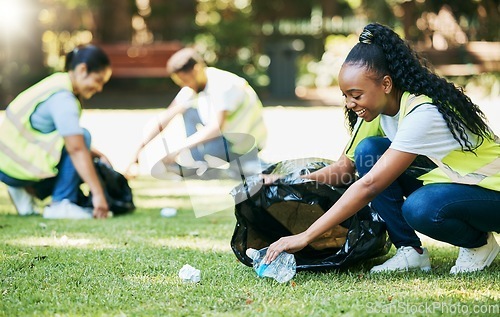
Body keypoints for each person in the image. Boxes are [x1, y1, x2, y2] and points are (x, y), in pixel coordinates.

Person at [263, 23, 500, 274]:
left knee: (420, 208)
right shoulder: (378, 111)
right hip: (461, 187)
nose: (350, 103)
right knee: (369, 151)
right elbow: (344, 169)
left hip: (492, 192)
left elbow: (369, 185)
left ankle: (478, 244)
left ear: (386, 84)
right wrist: (286, 181)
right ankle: (410, 251)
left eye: (356, 94)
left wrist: (306, 236)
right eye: (345, 95)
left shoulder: (424, 113)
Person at [0, 44, 112, 219]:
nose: (99, 88)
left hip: (7, 166)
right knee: (83, 137)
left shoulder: (55, 83)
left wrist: (95, 153)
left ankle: (22, 190)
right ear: (83, 70)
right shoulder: (64, 98)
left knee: (83, 147)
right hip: (20, 168)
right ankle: (61, 203)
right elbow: (76, 149)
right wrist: (98, 194)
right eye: (98, 80)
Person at [129, 47, 267, 178]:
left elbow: (216, 128)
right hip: (229, 140)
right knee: (187, 110)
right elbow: (164, 119)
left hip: (245, 145)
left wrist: (178, 149)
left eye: (185, 80)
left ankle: (242, 165)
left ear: (197, 69)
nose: (184, 85)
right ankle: (202, 166)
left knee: (209, 146)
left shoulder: (222, 84)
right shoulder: (196, 85)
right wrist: (135, 156)